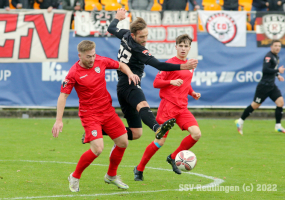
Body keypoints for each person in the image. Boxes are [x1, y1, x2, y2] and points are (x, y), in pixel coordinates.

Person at [52, 40, 140, 192]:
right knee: (98, 149)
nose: (92, 59)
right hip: (90, 115)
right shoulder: (73, 73)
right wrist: (58, 120)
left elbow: (120, 65)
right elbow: (63, 96)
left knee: (123, 142)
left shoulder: (101, 61)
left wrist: (130, 73)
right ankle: (75, 176)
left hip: (107, 111)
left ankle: (111, 176)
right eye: (88, 57)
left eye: (93, 55)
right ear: (80, 56)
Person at [107, 8, 198, 142]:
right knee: (143, 104)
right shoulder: (139, 49)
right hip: (129, 83)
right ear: (133, 35)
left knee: (136, 133)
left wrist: (117, 18)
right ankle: (157, 128)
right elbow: (159, 65)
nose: (144, 39)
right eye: (141, 37)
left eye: (146, 35)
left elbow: (111, 28)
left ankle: (97, 131)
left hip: (122, 87)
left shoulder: (125, 34)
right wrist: (183, 66)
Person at [133, 34, 202, 180]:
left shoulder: (190, 66)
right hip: (168, 107)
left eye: (186, 46)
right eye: (180, 46)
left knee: (196, 134)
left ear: (190, 48)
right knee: (160, 142)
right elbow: (156, 83)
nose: (183, 49)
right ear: (176, 47)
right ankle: (139, 169)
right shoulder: (170, 64)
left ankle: (173, 157)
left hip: (182, 108)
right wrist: (170, 82)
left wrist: (192, 92)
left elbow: (185, 82)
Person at [235, 40, 285, 135]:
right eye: (275, 46)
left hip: (271, 85)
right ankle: (240, 121)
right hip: (264, 86)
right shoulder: (268, 56)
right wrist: (278, 70)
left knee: (280, 102)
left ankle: (278, 126)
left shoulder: (276, 56)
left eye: (279, 46)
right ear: (271, 47)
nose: (278, 47)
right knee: (255, 105)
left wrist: (277, 75)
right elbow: (265, 69)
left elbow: (272, 69)